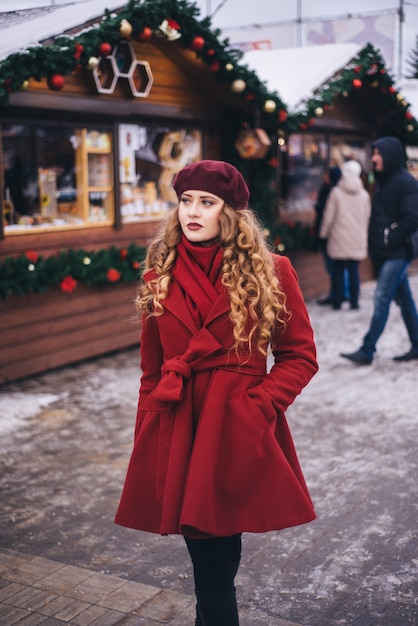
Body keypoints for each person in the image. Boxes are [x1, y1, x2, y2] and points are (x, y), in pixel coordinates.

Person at [114, 159, 318, 625]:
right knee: (209, 565)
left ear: (231, 212)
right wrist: (149, 426)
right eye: (186, 201)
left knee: (223, 545)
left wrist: (257, 406)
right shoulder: (158, 275)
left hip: (237, 424)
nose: (193, 211)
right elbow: (151, 370)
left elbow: (300, 356)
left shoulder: (272, 271)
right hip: (182, 425)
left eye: (207, 202)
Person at [341, 136, 418, 365]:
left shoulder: (405, 182)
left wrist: (390, 237)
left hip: (399, 252)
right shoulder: (386, 180)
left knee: (381, 298)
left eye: (378, 153)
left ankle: (367, 349)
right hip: (388, 252)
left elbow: (413, 218)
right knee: (405, 301)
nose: (374, 158)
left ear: (390, 156)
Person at [319, 160, 371, 310]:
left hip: (338, 237)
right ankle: (354, 301)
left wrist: (323, 234)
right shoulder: (364, 195)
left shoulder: (336, 192)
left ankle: (337, 301)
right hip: (356, 237)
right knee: (354, 270)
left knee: (337, 270)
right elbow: (367, 217)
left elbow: (329, 216)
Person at [313, 165, 342, 305]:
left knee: (333, 267)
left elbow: (327, 215)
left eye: (326, 175)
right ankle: (340, 294)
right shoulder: (331, 190)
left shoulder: (332, 192)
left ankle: (336, 295)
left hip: (331, 235)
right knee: (337, 267)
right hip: (335, 234)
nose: (324, 177)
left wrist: (323, 234)